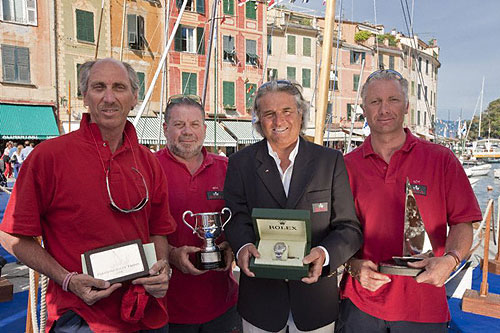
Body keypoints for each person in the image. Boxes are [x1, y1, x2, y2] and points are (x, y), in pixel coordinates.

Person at [0, 58, 177, 332]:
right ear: (84, 96)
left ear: (134, 97)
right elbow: (11, 236)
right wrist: (67, 279)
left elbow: (158, 230)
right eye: (98, 87)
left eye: (119, 87)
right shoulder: (48, 157)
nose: (109, 97)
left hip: (143, 312)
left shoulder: (148, 162)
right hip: (81, 317)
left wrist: (160, 268)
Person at [337, 69, 482, 332]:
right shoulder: (346, 166)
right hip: (361, 304)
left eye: (392, 100)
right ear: (364, 109)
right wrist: (353, 265)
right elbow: (337, 231)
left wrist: (450, 261)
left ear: (406, 106)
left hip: (423, 305)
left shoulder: (441, 159)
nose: (384, 109)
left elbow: (463, 223)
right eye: (375, 101)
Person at [224, 80, 362, 332]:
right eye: (269, 114)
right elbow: (235, 218)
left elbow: (348, 228)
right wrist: (243, 246)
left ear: (301, 114)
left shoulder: (330, 161)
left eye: (287, 111)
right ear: (259, 120)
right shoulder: (239, 163)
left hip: (315, 301)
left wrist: (324, 254)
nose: (279, 121)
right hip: (260, 302)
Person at [155, 95, 241, 332]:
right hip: (168, 310)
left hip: (223, 306)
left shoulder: (227, 168)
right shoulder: (149, 168)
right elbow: (136, 229)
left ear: (204, 129)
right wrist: (171, 255)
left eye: (194, 124)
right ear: (165, 129)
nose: (187, 132)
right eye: (179, 124)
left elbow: (241, 219)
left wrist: (233, 246)